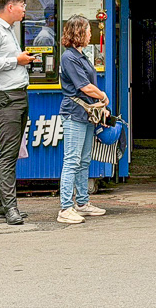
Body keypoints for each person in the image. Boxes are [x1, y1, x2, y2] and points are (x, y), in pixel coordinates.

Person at [0, 0, 38, 226]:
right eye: (22, 5)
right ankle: (10, 207)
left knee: (7, 152)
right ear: (10, 6)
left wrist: (20, 60)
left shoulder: (9, 30)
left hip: (16, 96)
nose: (25, 9)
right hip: (5, 98)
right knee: (7, 155)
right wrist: (17, 60)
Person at [56, 14, 109, 224]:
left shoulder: (80, 55)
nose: (90, 34)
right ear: (78, 33)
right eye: (87, 30)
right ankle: (65, 207)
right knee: (72, 160)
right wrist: (103, 97)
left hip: (85, 114)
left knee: (84, 159)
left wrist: (101, 106)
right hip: (74, 114)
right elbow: (84, 86)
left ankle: (82, 203)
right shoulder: (69, 57)